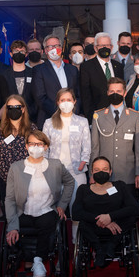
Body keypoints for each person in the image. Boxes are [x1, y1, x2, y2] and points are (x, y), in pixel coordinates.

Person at [4, 130, 75, 277]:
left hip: (47, 210)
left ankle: (38, 261)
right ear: (26, 146)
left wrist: (62, 204)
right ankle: (28, 258)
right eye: (32, 144)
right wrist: (12, 226)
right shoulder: (16, 168)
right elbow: (10, 198)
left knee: (47, 224)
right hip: (23, 212)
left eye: (39, 144)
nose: (35, 147)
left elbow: (69, 182)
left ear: (46, 147)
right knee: (18, 228)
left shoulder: (55, 165)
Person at [72, 157, 139, 267]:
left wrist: (110, 217)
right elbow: (76, 213)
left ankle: (111, 246)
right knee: (82, 223)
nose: (101, 172)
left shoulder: (120, 186)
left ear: (110, 171)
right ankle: (99, 250)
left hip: (117, 228)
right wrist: (102, 220)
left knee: (131, 218)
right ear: (92, 172)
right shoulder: (83, 189)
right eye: (97, 170)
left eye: (105, 169)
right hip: (93, 228)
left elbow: (134, 208)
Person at [43, 88, 90, 239]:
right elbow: (45, 148)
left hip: (77, 171)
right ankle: (57, 242)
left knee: (76, 209)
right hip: (55, 173)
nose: (66, 103)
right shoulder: (49, 123)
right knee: (56, 210)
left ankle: (77, 242)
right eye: (62, 100)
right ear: (57, 102)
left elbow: (87, 145)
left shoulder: (82, 122)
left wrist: (84, 162)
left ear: (74, 102)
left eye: (69, 100)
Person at [91, 77, 139, 194]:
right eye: (112, 91)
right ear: (107, 93)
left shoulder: (134, 116)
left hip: (127, 174)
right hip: (103, 176)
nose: (115, 94)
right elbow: (95, 148)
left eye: (119, 91)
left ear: (125, 93)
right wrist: (93, 174)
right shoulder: (98, 116)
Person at [0, 95, 38, 218]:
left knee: (29, 217)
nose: (14, 109)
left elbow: (36, 156)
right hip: (8, 182)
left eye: (17, 107)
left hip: (30, 181)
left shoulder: (32, 128)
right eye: (10, 107)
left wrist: (26, 177)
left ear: (23, 109)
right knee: (12, 218)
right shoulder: (0, 131)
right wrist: (10, 179)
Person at [32, 34, 80, 129]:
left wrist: (72, 112)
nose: (54, 49)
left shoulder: (72, 69)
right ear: (45, 50)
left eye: (57, 46)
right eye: (51, 46)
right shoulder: (39, 70)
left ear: (61, 48)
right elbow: (40, 97)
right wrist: (61, 112)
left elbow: (78, 94)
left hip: (72, 119)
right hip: (49, 119)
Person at [80, 32, 124, 123]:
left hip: (118, 115)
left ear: (111, 47)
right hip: (97, 116)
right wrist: (90, 118)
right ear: (95, 48)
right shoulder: (86, 67)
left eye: (107, 45)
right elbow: (85, 96)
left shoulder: (118, 66)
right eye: (101, 45)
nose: (105, 48)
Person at [2, 40, 37, 123]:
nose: (19, 53)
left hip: (31, 118)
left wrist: (31, 112)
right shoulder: (4, 75)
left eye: (22, 51)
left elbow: (37, 97)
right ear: (11, 54)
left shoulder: (33, 73)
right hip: (10, 118)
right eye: (16, 51)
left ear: (26, 54)